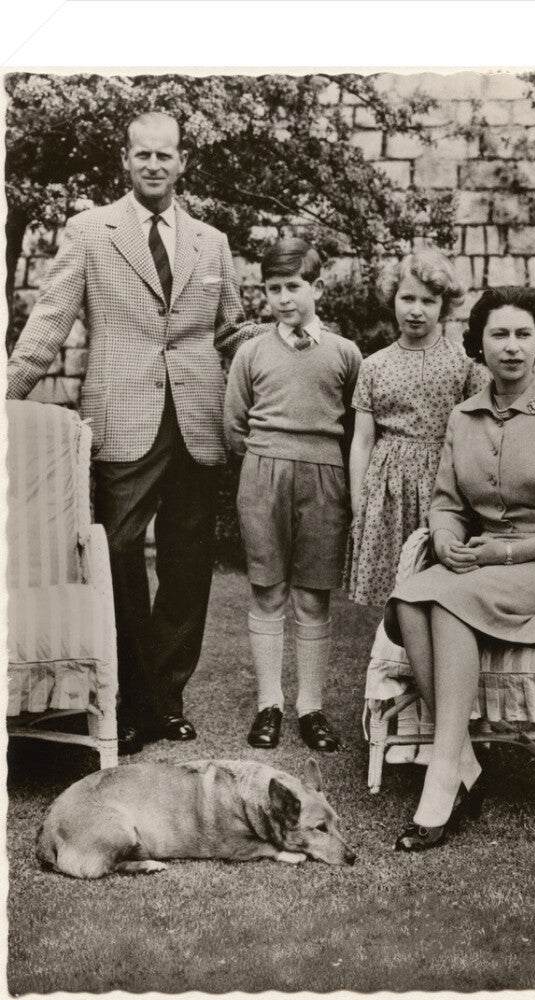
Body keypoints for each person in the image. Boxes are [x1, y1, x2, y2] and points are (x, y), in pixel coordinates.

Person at [6, 111, 256, 756]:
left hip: (197, 420)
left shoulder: (211, 241)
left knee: (187, 562)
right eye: (142, 155)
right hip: (120, 416)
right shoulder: (91, 232)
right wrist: (7, 391)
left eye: (164, 155)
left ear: (182, 163)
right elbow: (51, 319)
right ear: (126, 161)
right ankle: (129, 694)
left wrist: (283, 341)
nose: (153, 165)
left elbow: (230, 330)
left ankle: (166, 701)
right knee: (115, 553)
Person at [384, 285, 535, 851]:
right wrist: (446, 538)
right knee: (411, 598)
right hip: (481, 563)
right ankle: (466, 764)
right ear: (478, 346)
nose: (512, 347)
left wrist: (505, 553)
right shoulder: (464, 417)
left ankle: (441, 778)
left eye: (523, 334)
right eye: (499, 335)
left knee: (451, 600)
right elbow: (446, 503)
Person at [346, 249, 489, 762]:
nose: (416, 310)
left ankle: (441, 725)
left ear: (444, 305)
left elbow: (477, 434)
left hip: (444, 491)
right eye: (407, 298)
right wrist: (361, 501)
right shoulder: (373, 365)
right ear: (392, 301)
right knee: (397, 606)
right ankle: (403, 718)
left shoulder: (464, 366)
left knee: (439, 603)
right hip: (387, 490)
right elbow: (362, 439)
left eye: (429, 300)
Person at [224, 237, 362, 752]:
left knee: (311, 593)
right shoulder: (251, 351)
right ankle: (269, 704)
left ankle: (311, 707)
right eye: (273, 288)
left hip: (325, 477)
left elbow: (357, 425)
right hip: (264, 476)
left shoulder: (345, 353)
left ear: (317, 288)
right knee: (267, 589)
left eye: (294, 286)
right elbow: (235, 425)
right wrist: (267, 461)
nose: (283, 298)